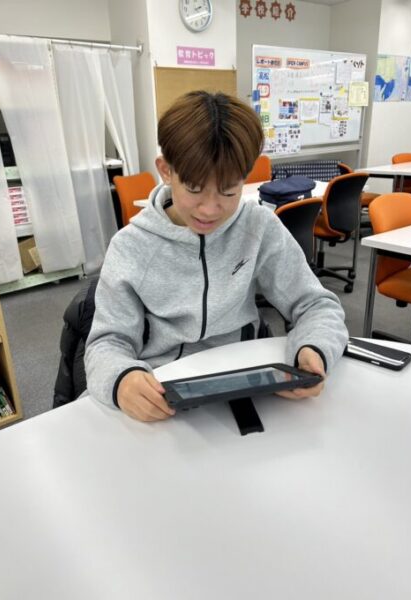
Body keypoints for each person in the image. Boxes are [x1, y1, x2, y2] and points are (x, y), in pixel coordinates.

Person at [85, 90, 348, 422]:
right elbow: (106, 343)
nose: (210, 210)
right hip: (164, 395)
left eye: (228, 191)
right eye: (194, 189)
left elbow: (316, 305)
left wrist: (314, 346)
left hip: (247, 382)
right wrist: (122, 379)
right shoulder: (131, 247)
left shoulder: (258, 227)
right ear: (166, 170)